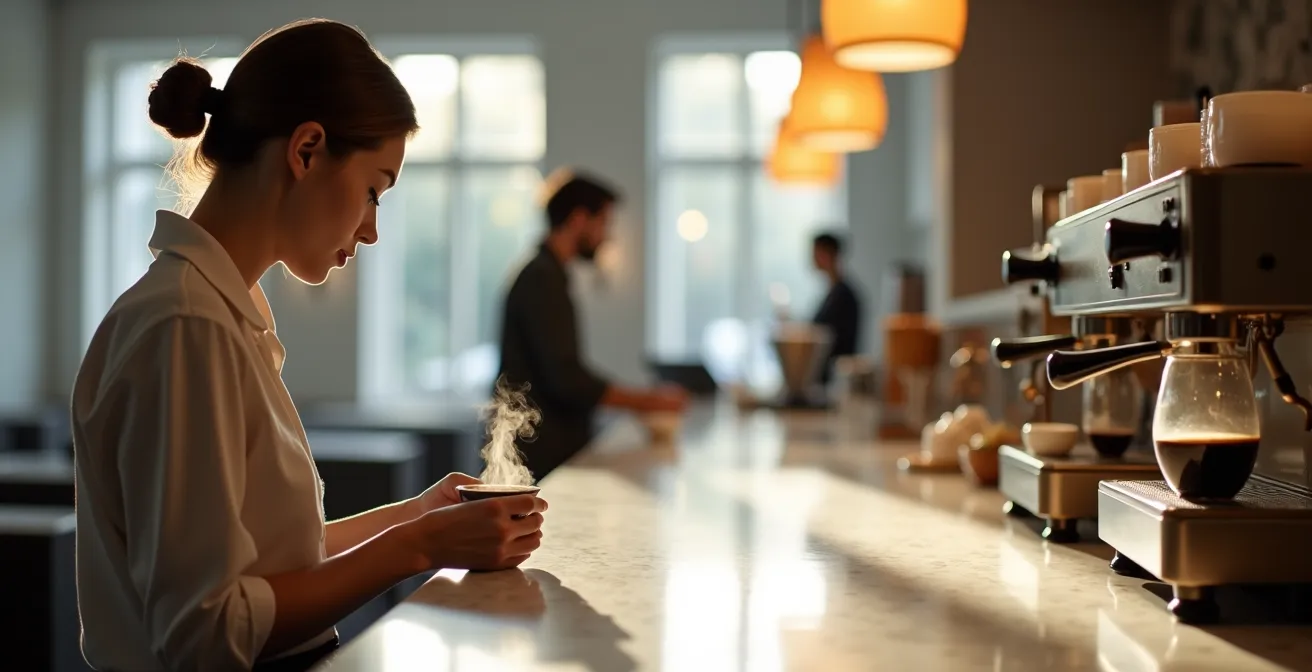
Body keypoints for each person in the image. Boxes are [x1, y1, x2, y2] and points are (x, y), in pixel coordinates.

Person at [70, 19, 546, 672]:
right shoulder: (187, 325)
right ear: (307, 150)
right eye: (373, 190)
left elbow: (264, 565)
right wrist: (418, 547)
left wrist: (412, 517)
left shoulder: (219, 313)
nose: (372, 230)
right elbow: (205, 632)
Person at [497, 169, 687, 480]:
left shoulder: (547, 275)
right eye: (604, 222)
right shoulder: (542, 279)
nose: (607, 235)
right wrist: (648, 401)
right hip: (539, 456)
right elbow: (567, 379)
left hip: (543, 449)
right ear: (579, 219)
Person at [810, 232, 862, 383]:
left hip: (836, 381)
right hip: (828, 379)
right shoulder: (832, 294)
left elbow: (827, 336)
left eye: (815, 253)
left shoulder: (843, 296)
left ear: (826, 254)